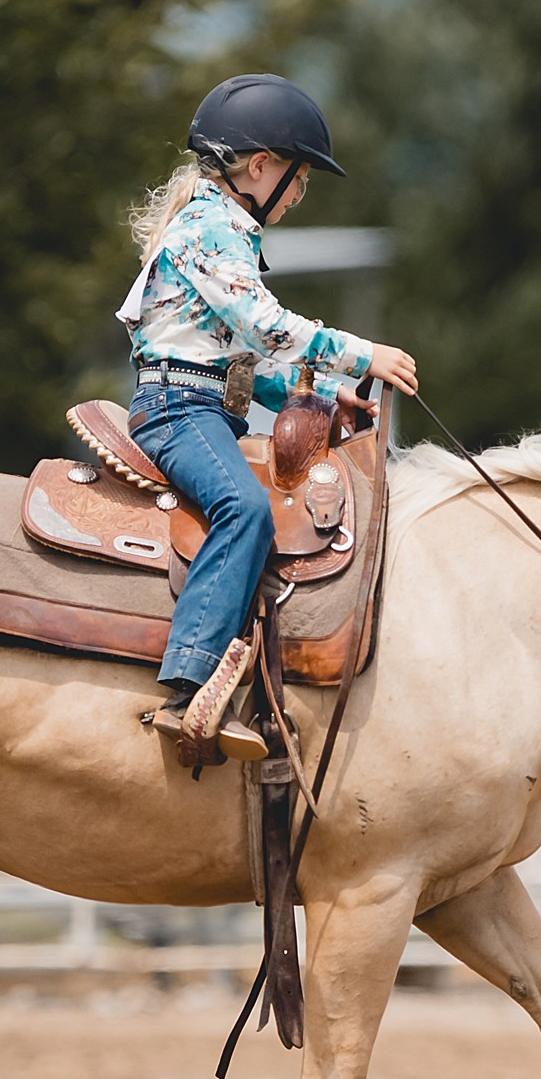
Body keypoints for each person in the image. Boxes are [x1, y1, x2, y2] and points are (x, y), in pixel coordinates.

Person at [118, 73, 420, 759]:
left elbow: (238, 362)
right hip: (178, 411)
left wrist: (308, 398)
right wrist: (360, 354)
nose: (301, 192)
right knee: (243, 510)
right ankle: (188, 684)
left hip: (204, 404)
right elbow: (263, 325)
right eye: (300, 175)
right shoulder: (210, 228)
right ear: (261, 166)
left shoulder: (223, 229)